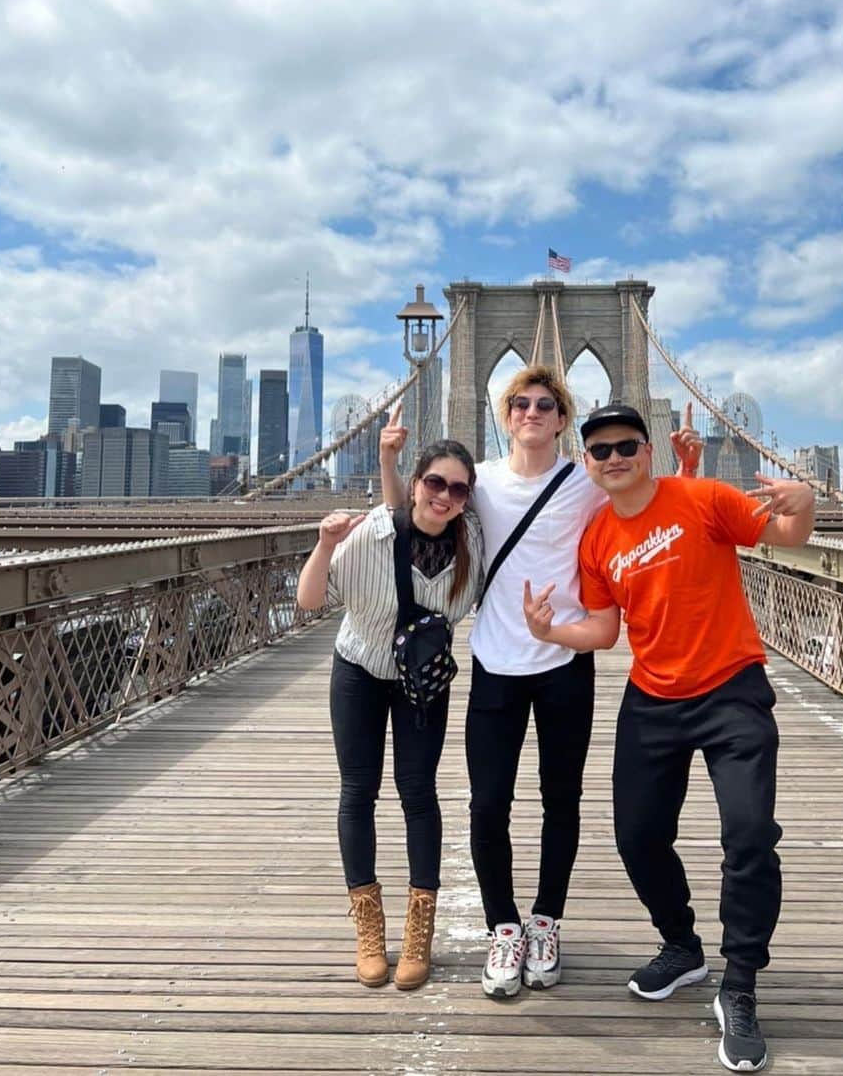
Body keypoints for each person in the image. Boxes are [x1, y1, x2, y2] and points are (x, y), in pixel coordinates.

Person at [380, 377, 702, 999]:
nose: (532, 412)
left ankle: (546, 921)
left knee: (563, 800)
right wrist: (391, 461)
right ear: (506, 417)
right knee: (487, 804)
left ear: (561, 421)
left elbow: (654, 506)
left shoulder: (589, 481)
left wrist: (686, 467)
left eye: (546, 406)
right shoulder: (481, 483)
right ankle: (505, 926)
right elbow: (410, 521)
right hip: (495, 666)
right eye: (521, 404)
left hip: (564, 666)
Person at [522, 403, 815, 1073]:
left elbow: (789, 537)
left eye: (626, 445)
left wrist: (807, 503)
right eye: (600, 451)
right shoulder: (596, 538)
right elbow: (602, 631)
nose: (614, 457)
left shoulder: (704, 497)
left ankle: (739, 984)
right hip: (653, 697)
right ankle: (681, 945)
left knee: (748, 835)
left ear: (647, 451)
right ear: (587, 464)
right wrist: (549, 634)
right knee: (637, 836)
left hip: (731, 688)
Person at [297, 439, 484, 991]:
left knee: (418, 793)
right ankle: (370, 931)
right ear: (415, 485)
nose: (444, 497)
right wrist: (325, 543)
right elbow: (309, 601)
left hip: (422, 681)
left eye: (458, 489)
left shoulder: (473, 540)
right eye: (434, 484)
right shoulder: (369, 534)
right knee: (358, 791)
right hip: (358, 672)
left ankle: (418, 932)